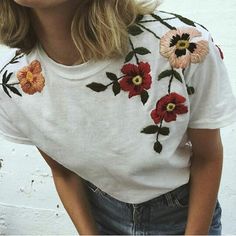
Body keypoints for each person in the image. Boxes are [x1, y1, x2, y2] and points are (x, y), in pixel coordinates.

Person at [0, 0, 236, 235]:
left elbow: (207, 157)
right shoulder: (15, 83)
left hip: (184, 216)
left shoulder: (182, 44)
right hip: (100, 216)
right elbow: (64, 172)